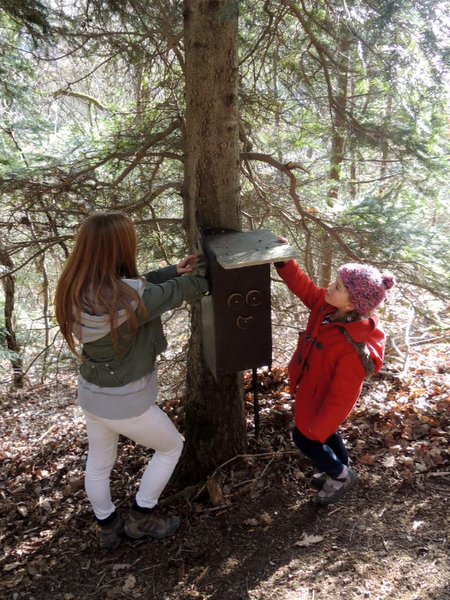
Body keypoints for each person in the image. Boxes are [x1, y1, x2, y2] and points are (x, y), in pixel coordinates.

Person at [55, 212, 209, 549]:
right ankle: (141, 518)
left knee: (98, 463)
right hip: (128, 401)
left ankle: (107, 526)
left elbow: (140, 288)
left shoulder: (75, 289)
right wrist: (213, 274)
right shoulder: (133, 298)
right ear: (120, 248)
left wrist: (170, 272)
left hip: (93, 396)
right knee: (171, 447)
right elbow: (186, 290)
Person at [275, 256, 395, 505]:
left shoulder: (354, 347)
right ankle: (340, 467)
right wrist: (285, 263)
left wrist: (320, 427)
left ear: (353, 305)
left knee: (305, 438)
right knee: (324, 435)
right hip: (311, 389)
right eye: (335, 282)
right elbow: (305, 288)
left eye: (338, 287)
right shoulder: (327, 306)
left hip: (325, 401)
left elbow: (343, 396)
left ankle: (339, 475)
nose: (330, 286)